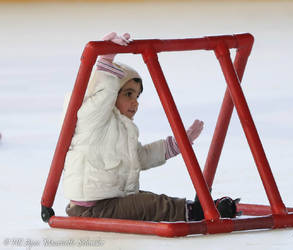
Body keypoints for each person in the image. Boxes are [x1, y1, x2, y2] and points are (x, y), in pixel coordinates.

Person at [63, 32, 240, 222]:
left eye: (137, 96)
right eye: (128, 94)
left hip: (111, 201)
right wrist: (107, 59)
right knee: (151, 204)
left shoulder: (123, 130)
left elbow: (140, 157)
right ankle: (197, 212)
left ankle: (196, 208)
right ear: (112, 94)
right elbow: (102, 95)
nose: (134, 102)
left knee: (151, 200)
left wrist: (176, 144)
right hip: (91, 207)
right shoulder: (91, 120)